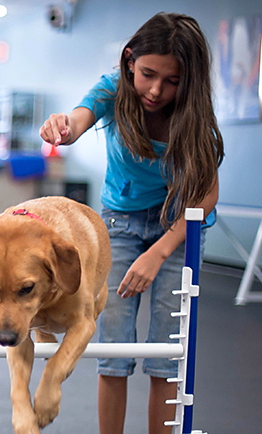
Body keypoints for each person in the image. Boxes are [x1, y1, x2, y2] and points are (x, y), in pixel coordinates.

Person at [40, 12, 224, 434]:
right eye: (147, 74)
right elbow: (80, 119)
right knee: (113, 346)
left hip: (180, 227)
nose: (156, 90)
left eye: (172, 81)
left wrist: (159, 254)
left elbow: (206, 195)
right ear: (128, 61)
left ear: (188, 81)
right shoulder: (113, 90)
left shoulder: (195, 119)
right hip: (120, 224)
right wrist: (63, 128)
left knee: (165, 351)